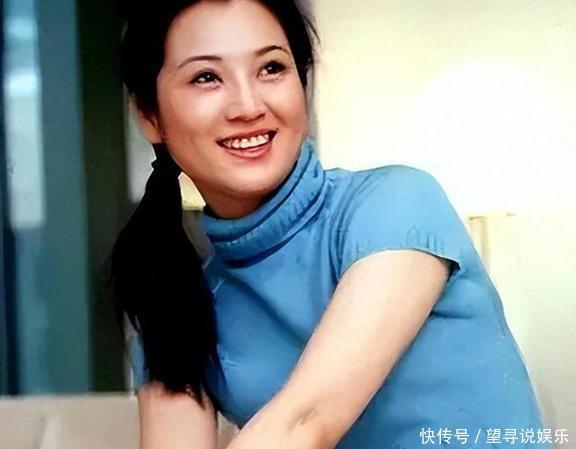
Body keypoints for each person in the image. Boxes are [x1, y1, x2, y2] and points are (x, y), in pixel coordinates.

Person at [111, 1, 550, 448]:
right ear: (149, 115)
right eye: (206, 77)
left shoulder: (395, 205)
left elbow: (305, 423)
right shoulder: (176, 304)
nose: (248, 105)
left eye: (271, 69)